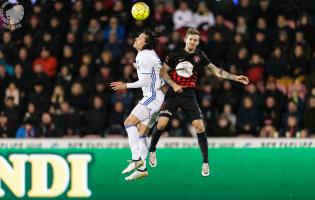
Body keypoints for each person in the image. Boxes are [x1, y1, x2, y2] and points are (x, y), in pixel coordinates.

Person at [148, 28, 249, 176]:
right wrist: (174, 85)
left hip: (188, 94)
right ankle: (152, 150)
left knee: (199, 126)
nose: (193, 42)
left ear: (198, 42)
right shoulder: (175, 53)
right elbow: (163, 71)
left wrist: (235, 77)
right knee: (162, 124)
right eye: (191, 39)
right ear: (185, 39)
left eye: (196, 40)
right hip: (173, 93)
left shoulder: (199, 55)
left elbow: (215, 71)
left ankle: (205, 162)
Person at [110, 30, 164, 181]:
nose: (136, 38)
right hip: (158, 96)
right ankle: (142, 169)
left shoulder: (144, 55)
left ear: (145, 43)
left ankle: (136, 160)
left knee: (129, 123)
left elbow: (146, 82)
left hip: (153, 97)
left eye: (140, 37)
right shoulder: (150, 53)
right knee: (141, 133)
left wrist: (125, 85)